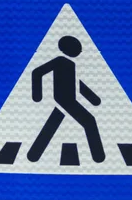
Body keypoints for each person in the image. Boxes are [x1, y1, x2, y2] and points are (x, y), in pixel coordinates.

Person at [27, 35, 105, 163]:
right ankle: (99, 157)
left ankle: (33, 155)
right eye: (77, 48)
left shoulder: (70, 64)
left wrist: (93, 99)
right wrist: (37, 96)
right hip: (64, 100)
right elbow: (37, 72)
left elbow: (76, 84)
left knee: (52, 124)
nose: (80, 51)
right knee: (89, 122)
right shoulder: (59, 61)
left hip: (67, 100)